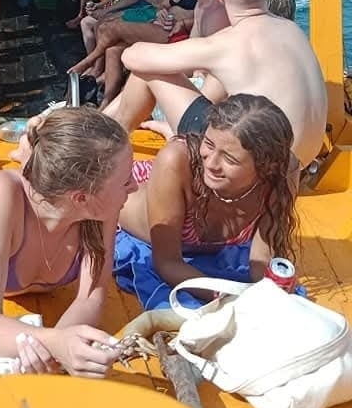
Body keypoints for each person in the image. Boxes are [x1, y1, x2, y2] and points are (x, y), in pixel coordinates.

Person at [0, 107, 137, 377]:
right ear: (81, 198)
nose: (135, 187)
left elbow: (91, 294)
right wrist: (56, 344)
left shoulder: (100, 208)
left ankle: (22, 157)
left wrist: (59, 348)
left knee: (31, 181)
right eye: (127, 180)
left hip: (47, 200)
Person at [102, 0, 327, 168]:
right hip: (299, 163)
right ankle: (103, 129)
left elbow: (133, 58)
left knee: (148, 71)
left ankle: (105, 145)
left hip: (260, 169)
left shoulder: (227, 43)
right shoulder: (292, 30)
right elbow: (209, 96)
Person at [118, 94, 299, 287]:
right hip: (130, 186)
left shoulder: (283, 173)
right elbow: (167, 263)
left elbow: (262, 262)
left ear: (266, 167)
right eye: (209, 144)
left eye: (230, 159)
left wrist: (269, 292)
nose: (211, 164)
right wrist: (225, 297)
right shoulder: (176, 162)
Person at [71, 0, 228, 105]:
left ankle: (88, 64)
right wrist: (180, 23)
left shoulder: (216, 9)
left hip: (180, 50)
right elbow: (192, 23)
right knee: (113, 50)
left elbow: (206, 55)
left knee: (120, 36)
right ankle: (106, 102)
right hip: (174, 35)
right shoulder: (200, 2)